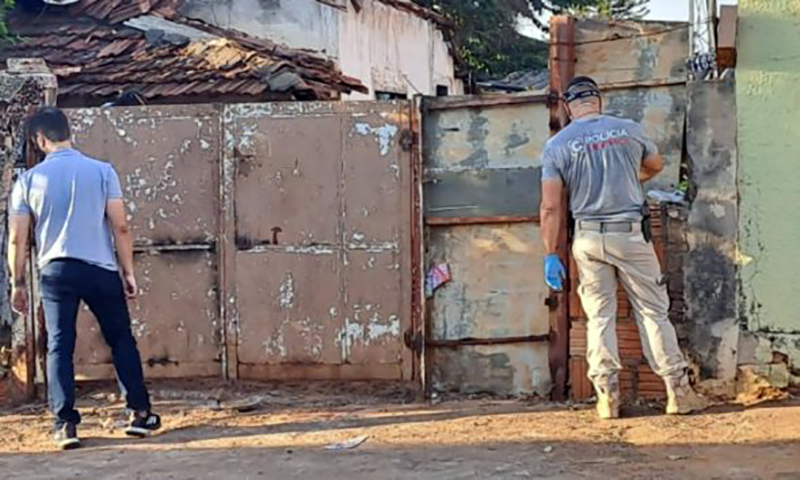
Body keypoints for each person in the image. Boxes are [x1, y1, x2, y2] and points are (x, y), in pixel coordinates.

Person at [539, 77, 708, 419]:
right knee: (652, 311)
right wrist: (629, 179)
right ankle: (678, 393)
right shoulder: (629, 130)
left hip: (587, 240)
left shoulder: (557, 145)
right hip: (630, 235)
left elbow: (550, 207)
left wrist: (550, 254)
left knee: (599, 316)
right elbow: (656, 166)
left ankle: (607, 398)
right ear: (598, 101)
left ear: (569, 107)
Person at [8, 107, 161, 449]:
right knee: (121, 338)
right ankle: (138, 414)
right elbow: (120, 225)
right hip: (100, 268)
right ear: (69, 132)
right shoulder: (103, 171)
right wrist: (128, 272)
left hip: (56, 272)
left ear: (40, 139)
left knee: (59, 346)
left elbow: (17, 238)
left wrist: (17, 282)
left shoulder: (28, 181)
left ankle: (65, 425)